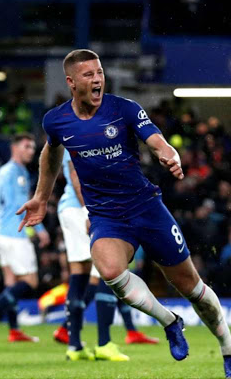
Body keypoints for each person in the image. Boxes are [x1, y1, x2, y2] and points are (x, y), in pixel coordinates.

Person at [16, 49, 231, 378]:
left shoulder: (123, 109)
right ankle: (169, 321)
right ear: (70, 82)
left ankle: (229, 348)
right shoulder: (56, 120)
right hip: (107, 217)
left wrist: (169, 152)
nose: (97, 79)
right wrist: (41, 197)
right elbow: (51, 153)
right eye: (88, 75)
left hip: (147, 209)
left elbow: (155, 139)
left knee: (192, 288)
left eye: (99, 73)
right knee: (109, 270)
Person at [54, 149, 158, 361]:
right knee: (108, 271)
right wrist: (89, 213)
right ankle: (104, 343)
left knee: (80, 274)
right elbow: (75, 175)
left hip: (71, 209)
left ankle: (74, 346)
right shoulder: (80, 135)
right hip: (82, 210)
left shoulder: (77, 132)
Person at [0, 133, 51, 341]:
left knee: (11, 282)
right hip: (14, 234)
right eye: (27, 147)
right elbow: (18, 206)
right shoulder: (15, 173)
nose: (31, 151)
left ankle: (13, 329)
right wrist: (40, 230)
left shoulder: (6, 172)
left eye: (33, 147)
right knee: (30, 281)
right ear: (15, 148)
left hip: (1, 232)